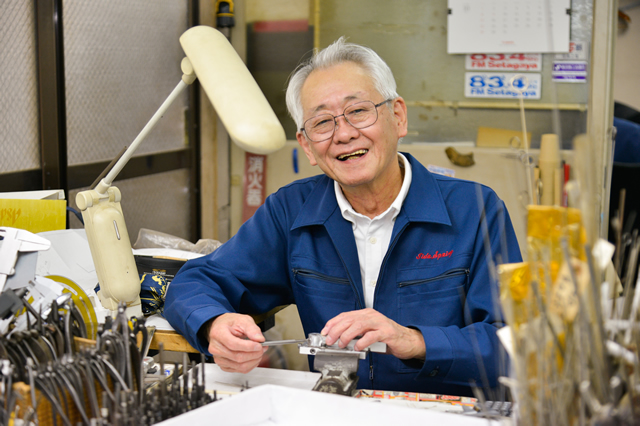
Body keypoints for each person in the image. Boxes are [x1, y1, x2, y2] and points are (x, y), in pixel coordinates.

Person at [164, 37, 522, 397]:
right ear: (307, 146)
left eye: (359, 111)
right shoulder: (292, 211)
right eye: (322, 122)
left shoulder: (475, 209)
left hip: (445, 412)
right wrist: (214, 324)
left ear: (397, 116)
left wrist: (412, 340)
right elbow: (195, 281)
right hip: (336, 408)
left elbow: (514, 343)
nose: (345, 134)